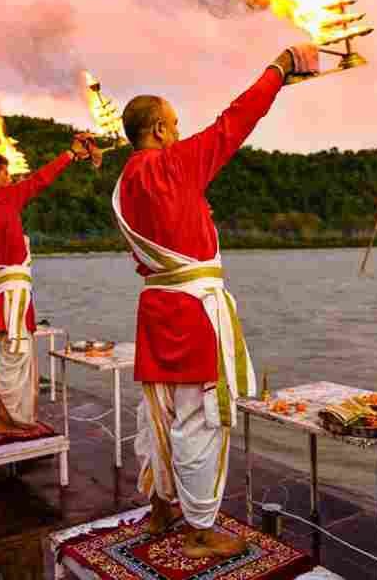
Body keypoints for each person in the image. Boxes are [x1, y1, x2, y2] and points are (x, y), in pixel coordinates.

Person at [108, 45, 318, 558]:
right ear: (157, 129)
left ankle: (161, 506)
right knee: (201, 417)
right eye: (174, 125)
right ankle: (200, 529)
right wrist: (279, 67)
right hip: (194, 312)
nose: (180, 132)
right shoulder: (174, 165)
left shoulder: (123, 184)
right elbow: (235, 121)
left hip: (155, 309)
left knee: (156, 412)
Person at [0, 139, 100, 435]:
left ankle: (6, 417)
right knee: (15, 356)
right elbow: (40, 179)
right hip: (11, 293)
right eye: (5, 173)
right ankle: (12, 421)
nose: (11, 178)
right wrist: (68, 154)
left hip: (3, 292)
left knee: (6, 356)